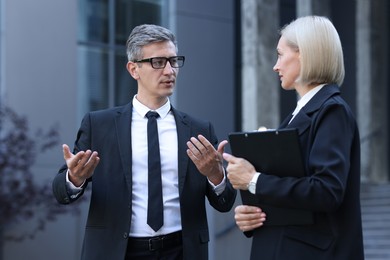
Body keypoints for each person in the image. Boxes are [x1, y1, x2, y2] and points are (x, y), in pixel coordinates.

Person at [52, 24, 236, 260]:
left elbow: (224, 202)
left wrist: (216, 176)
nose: (169, 71)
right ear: (133, 69)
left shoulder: (199, 130)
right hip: (118, 252)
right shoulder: (99, 125)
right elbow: (60, 192)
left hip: (181, 251)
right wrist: (75, 179)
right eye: (158, 62)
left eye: (173, 61)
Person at [223, 16, 364, 260]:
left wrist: (253, 179)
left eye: (280, 54)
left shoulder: (332, 111)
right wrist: (252, 216)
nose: (275, 66)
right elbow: (290, 195)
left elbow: (327, 191)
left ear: (305, 54)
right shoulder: (298, 116)